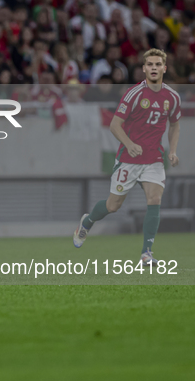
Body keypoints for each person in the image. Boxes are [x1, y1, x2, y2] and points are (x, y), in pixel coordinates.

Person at [73, 49, 181, 267]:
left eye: (158, 64)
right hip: (128, 159)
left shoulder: (172, 97)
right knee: (113, 206)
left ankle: (146, 252)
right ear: (143, 69)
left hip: (153, 159)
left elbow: (175, 124)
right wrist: (130, 144)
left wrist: (172, 151)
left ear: (164, 68)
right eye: (149, 64)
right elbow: (115, 125)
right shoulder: (134, 94)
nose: (153, 68)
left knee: (154, 199)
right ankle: (88, 221)